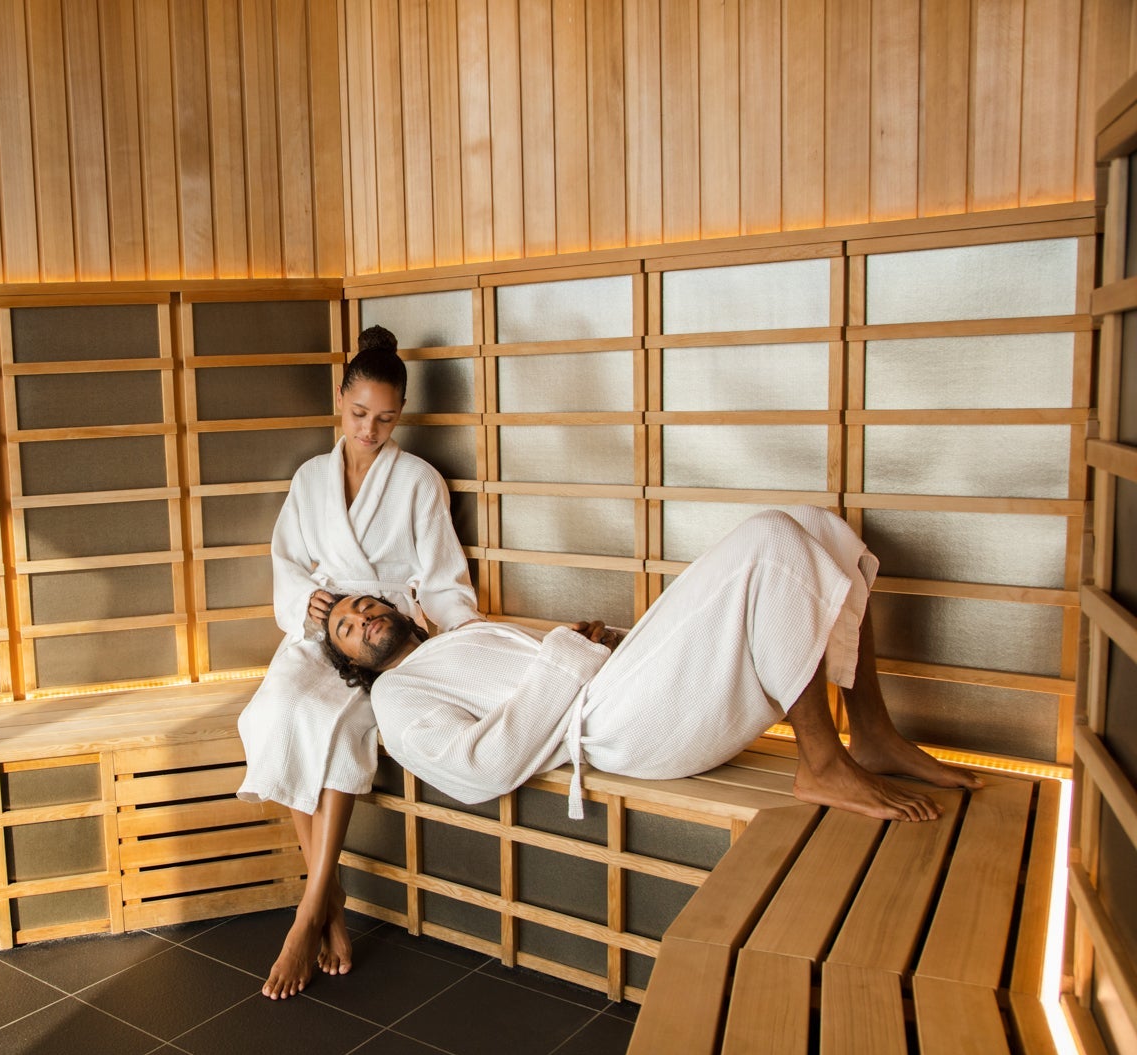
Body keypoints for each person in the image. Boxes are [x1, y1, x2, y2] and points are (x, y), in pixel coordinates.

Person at [319, 507, 981, 824]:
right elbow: (476, 768)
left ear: (393, 604)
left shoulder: (454, 637)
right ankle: (824, 762)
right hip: (610, 728)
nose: (362, 618)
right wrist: (565, 654)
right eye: (347, 630)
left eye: (364, 605)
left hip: (620, 684)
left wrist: (585, 643)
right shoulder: (394, 698)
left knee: (816, 526)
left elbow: (547, 668)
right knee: (771, 539)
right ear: (354, 663)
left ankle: (872, 731)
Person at [237, 325, 481, 1000]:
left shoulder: (419, 481)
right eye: (358, 415)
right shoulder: (311, 478)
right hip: (323, 627)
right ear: (338, 402)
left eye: (385, 419)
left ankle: (309, 912)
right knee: (276, 710)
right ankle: (333, 899)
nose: (369, 430)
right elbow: (285, 559)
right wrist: (305, 599)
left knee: (342, 726)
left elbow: (441, 578)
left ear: (399, 415)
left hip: (382, 634)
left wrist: (446, 649)